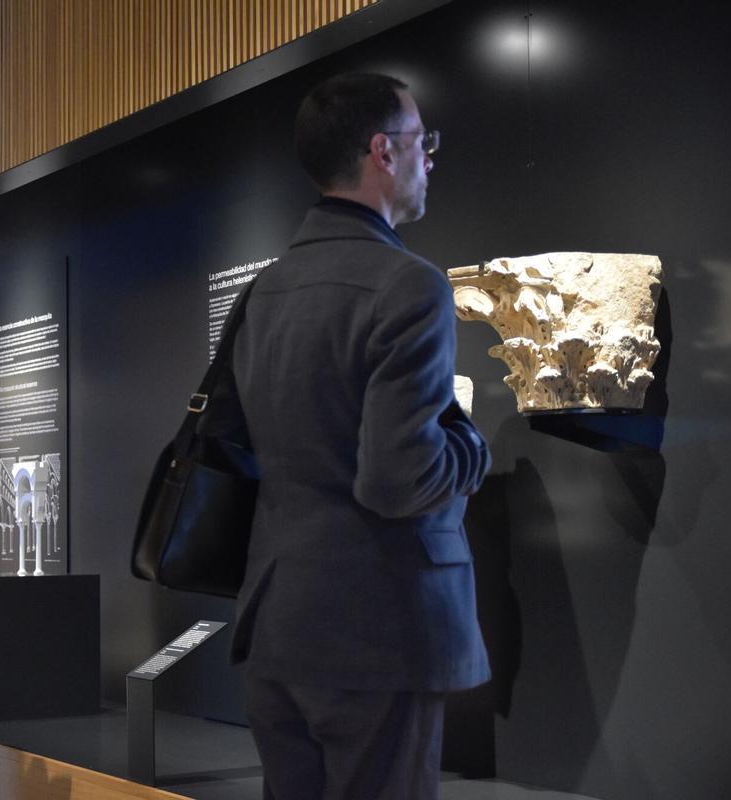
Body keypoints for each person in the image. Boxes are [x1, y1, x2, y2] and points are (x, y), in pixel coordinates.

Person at [229, 73, 492, 799]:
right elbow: (395, 476)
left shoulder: (265, 291)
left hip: (277, 624)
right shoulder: (408, 285)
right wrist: (474, 449)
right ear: (383, 151)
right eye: (421, 142)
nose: (429, 159)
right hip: (378, 630)